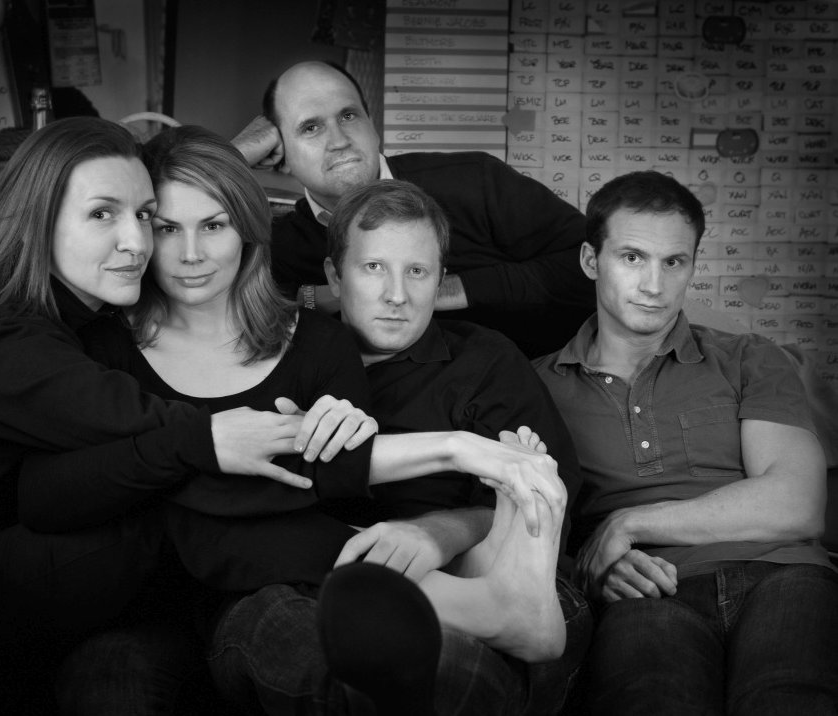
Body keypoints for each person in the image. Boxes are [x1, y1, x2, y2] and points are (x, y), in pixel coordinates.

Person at [18, 131, 581, 714]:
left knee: (396, 669)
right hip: (150, 590)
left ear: (246, 229)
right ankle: (474, 601)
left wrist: (365, 453)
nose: (191, 254)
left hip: (275, 585)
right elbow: (46, 495)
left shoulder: (317, 340)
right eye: (167, 228)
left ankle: (482, 596)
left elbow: (332, 481)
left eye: (213, 225)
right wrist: (200, 449)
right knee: (116, 674)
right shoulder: (100, 347)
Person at [0, 117, 372, 715]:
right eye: (102, 214)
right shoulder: (7, 341)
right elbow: (158, 425)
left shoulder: (38, 303)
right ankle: (379, 570)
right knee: (160, 507)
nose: (138, 242)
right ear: (39, 219)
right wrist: (224, 436)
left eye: (144, 214)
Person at [206, 179, 592, 715]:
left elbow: (561, 503)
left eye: (417, 271)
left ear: (440, 280)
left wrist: (441, 532)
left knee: (449, 663)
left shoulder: (484, 361)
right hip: (302, 579)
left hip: (471, 570)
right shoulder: (280, 363)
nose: (397, 295)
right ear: (334, 276)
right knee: (291, 621)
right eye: (373, 268)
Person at [533, 170, 838, 715]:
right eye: (632, 258)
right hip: (650, 592)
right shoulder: (536, 384)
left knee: (789, 700)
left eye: (674, 262)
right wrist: (590, 565)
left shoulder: (749, 357)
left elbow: (799, 503)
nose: (654, 284)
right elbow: (526, 527)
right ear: (589, 261)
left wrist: (628, 524)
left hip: (783, 573)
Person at [232, 60, 596, 358]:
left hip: (527, 399)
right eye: (310, 128)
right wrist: (231, 158)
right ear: (281, 153)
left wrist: (438, 291)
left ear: (374, 128)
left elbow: (591, 267)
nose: (339, 141)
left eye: (348, 116)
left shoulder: (475, 181)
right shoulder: (279, 244)